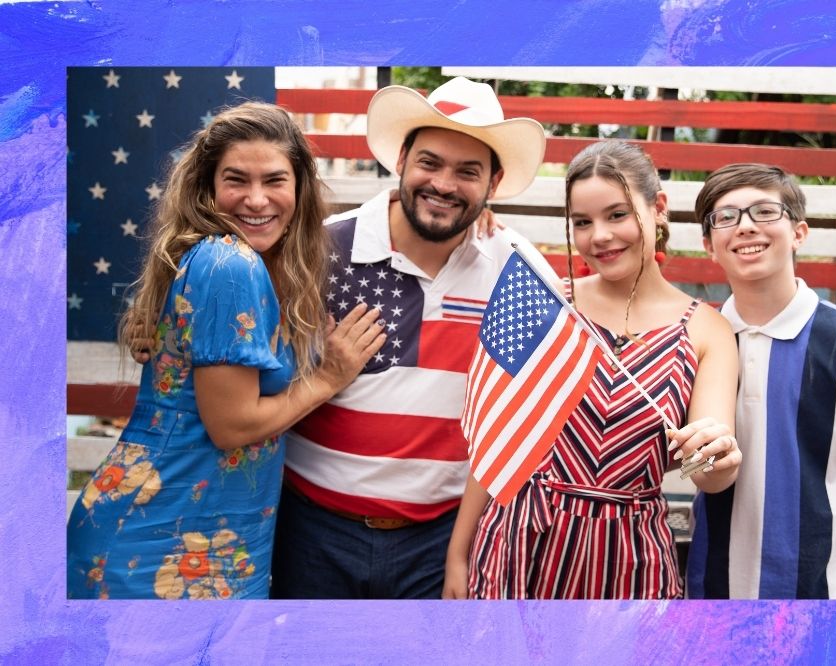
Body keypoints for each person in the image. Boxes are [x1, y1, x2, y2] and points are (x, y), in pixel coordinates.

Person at [66, 102, 385, 599]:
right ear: (208, 188)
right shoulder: (229, 264)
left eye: (275, 180)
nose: (256, 200)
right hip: (160, 544)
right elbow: (232, 426)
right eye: (237, 179)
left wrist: (475, 219)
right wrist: (326, 378)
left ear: (299, 188)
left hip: (210, 537)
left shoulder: (261, 262)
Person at [269, 77, 550, 599]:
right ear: (401, 159)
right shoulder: (320, 250)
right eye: (430, 162)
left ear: (493, 183)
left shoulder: (518, 270)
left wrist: (463, 553)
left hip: (440, 543)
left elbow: (528, 404)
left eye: (468, 172)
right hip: (311, 531)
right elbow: (246, 350)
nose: (444, 183)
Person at [443, 140, 742, 599]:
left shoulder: (708, 329)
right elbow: (496, 440)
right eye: (582, 222)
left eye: (617, 215)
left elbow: (707, 470)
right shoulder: (546, 301)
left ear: (658, 208)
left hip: (630, 560)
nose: (599, 236)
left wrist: (716, 457)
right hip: (519, 543)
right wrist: (458, 558)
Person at [685, 163, 836, 599]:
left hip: (828, 601)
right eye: (726, 217)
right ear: (709, 245)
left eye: (764, 212)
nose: (744, 227)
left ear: (799, 233)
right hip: (713, 598)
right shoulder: (699, 340)